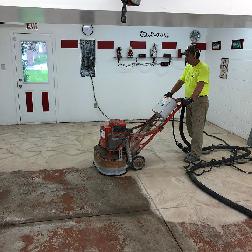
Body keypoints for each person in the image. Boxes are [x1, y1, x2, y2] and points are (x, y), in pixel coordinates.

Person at [164, 44, 210, 163]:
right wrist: (171, 92)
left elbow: (200, 86)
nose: (186, 58)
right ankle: (197, 147)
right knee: (190, 128)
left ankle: (195, 154)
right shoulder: (188, 67)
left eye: (188, 56)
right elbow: (181, 81)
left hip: (199, 102)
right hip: (189, 101)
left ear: (195, 56)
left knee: (197, 129)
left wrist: (191, 99)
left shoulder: (203, 68)